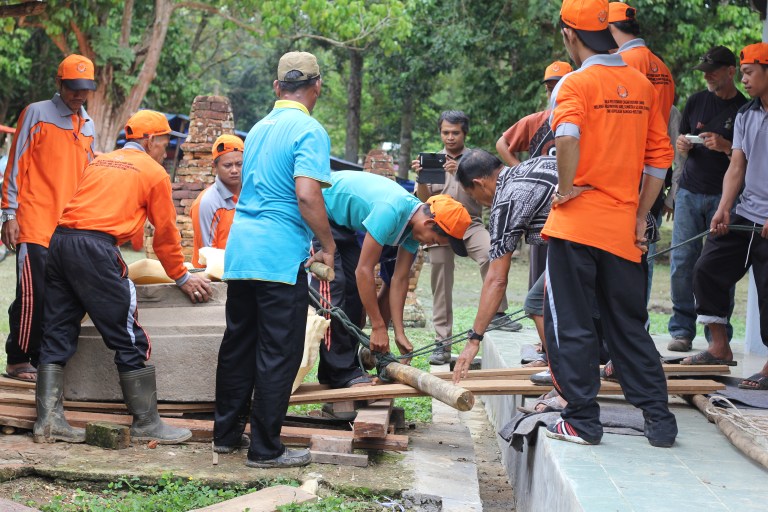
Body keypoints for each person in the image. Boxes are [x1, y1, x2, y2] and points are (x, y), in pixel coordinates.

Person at [541, 0, 676, 447]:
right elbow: (661, 157)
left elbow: (567, 135)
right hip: (623, 230)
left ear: (569, 36)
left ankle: (581, 420)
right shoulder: (641, 84)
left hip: (576, 228)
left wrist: (565, 186)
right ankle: (659, 418)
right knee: (628, 324)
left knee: (574, 326)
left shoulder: (573, 84)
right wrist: (640, 216)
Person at [33, 110, 212, 445]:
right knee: (128, 335)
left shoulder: (102, 161)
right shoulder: (153, 172)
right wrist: (182, 276)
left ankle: (48, 422)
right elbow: (165, 235)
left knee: (57, 329)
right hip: (96, 249)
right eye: (164, 141)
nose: (166, 149)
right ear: (149, 139)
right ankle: (146, 422)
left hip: (60, 242)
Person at [213, 51, 336, 469]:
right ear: (318, 86)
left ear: (276, 87)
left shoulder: (259, 129)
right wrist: (328, 244)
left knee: (238, 345)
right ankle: (265, 449)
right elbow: (306, 194)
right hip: (279, 256)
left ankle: (225, 437)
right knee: (277, 352)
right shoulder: (310, 129)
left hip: (242, 251)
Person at [315, 170, 471, 387]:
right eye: (434, 240)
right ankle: (338, 372)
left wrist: (399, 333)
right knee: (335, 289)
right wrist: (378, 327)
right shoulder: (391, 211)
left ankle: (345, 368)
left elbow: (399, 279)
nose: (429, 245)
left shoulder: (412, 228)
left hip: (342, 224)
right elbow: (365, 271)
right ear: (427, 224)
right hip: (317, 211)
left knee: (355, 295)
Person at [1, 54, 97, 382]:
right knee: (33, 294)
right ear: (59, 83)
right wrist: (8, 214)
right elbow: (15, 166)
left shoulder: (88, 125)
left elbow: (86, 176)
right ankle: (17, 359)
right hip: (33, 222)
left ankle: (44, 359)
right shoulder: (36, 113)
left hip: (67, 229)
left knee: (59, 298)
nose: (78, 95)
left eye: (84, 89)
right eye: (73, 88)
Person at [683, 43, 768, 391]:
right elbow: (738, 164)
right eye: (743, 73)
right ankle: (718, 346)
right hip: (745, 213)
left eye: (749, 72)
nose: (745, 79)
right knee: (706, 269)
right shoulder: (747, 114)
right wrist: (724, 207)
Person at [413, 110, 516, 366]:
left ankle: (498, 313)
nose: (449, 137)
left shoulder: (475, 159)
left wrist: (460, 170)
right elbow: (423, 200)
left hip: (470, 223)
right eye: (445, 132)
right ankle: (442, 342)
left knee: (491, 253)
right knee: (440, 275)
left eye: (455, 133)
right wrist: (422, 176)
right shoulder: (433, 160)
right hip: (439, 225)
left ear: (464, 133)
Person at [450, 150, 559, 383]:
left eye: (474, 196)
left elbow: (497, 279)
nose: (480, 203)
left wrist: (473, 340)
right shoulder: (532, 165)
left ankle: (561, 374)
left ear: (479, 183)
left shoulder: (506, 199)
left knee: (537, 303)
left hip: (586, 243)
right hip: (614, 228)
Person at [667, 45, 746, 352]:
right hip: (689, 191)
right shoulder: (696, 100)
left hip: (724, 197)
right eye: (705, 72)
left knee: (718, 265)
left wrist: (726, 146)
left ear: (731, 71)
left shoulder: (746, 109)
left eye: (714, 71)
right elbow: (681, 141)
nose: (708, 77)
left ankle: (718, 334)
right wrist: (683, 144)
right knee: (682, 262)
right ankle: (681, 329)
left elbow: (747, 159)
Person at [496, 60, 573, 290]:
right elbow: (503, 143)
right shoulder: (537, 120)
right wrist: (521, 170)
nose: (554, 92)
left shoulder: (582, 118)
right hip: (542, 205)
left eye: (559, 86)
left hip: (570, 198)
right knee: (540, 261)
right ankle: (540, 310)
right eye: (550, 88)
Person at [190, 134, 243, 268]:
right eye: (227, 165)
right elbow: (208, 256)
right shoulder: (207, 202)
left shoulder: (252, 196)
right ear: (215, 166)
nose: (234, 170)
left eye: (239, 164)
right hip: (213, 279)